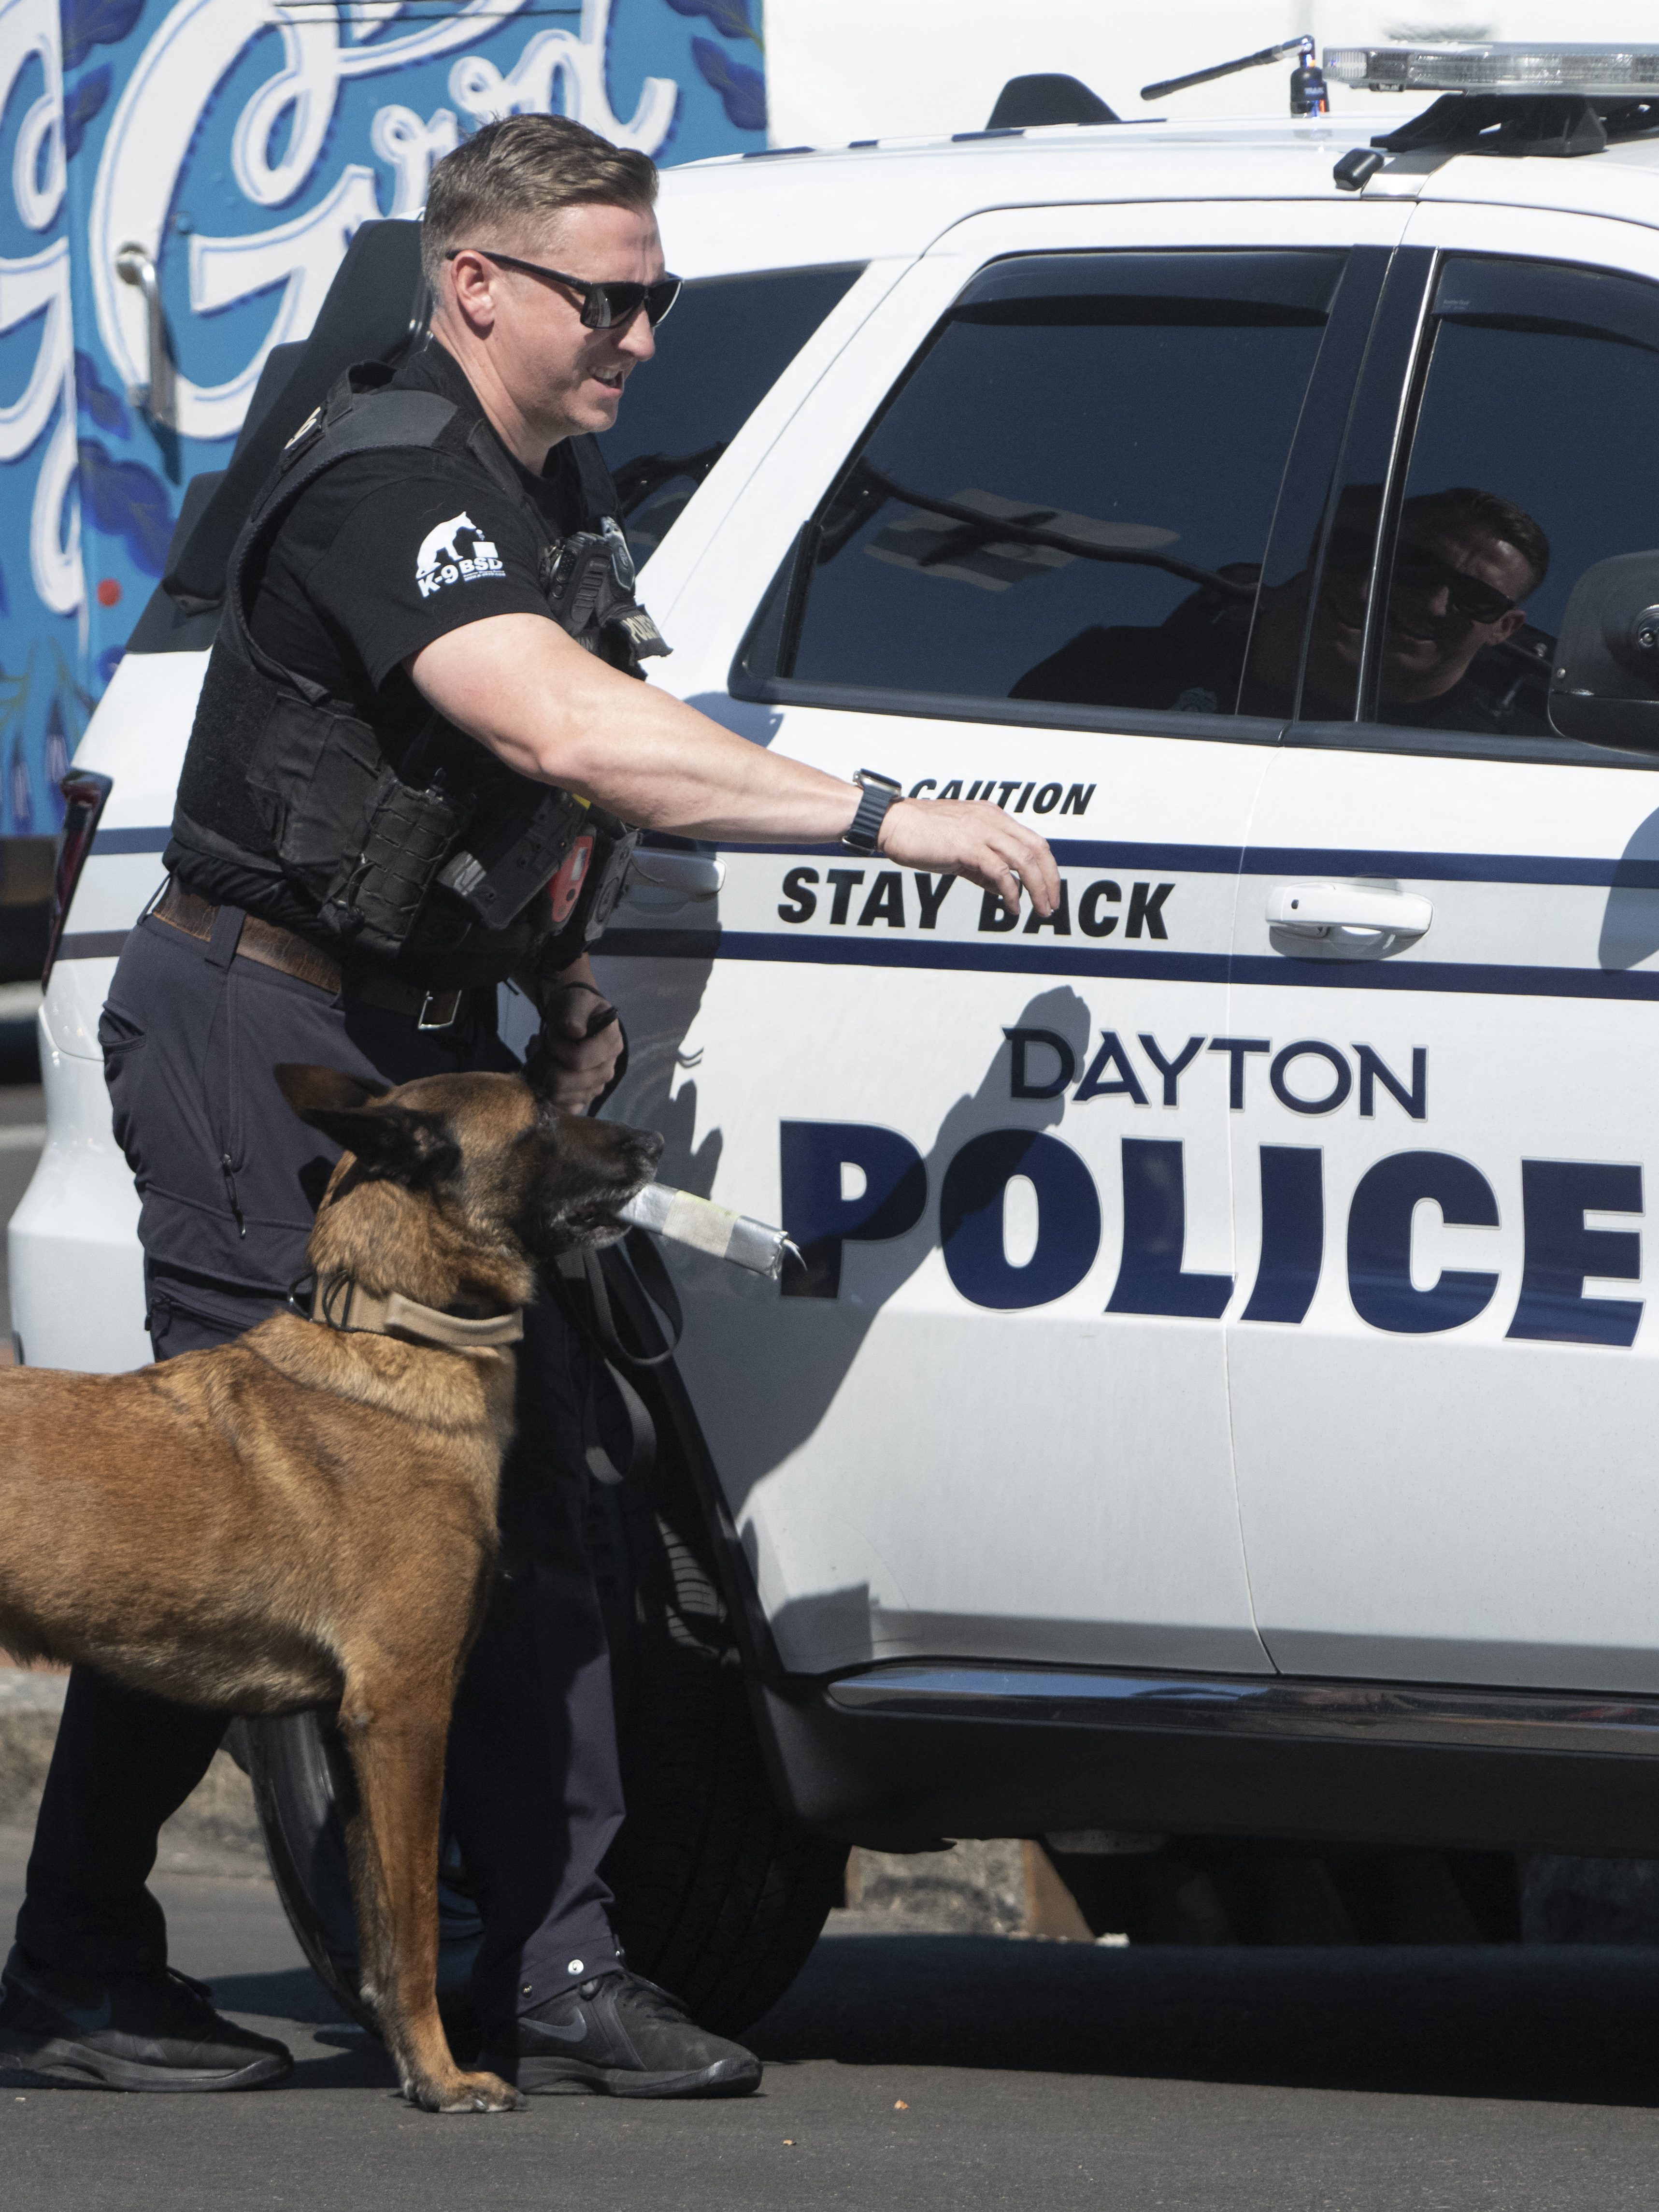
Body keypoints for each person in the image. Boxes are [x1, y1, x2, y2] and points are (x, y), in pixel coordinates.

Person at [0, 114, 1058, 2098]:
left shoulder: (550, 493)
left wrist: (560, 974)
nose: (644, 336)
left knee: (543, 1511)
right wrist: (881, 815)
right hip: (268, 1045)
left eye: (658, 300)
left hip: (434, 1058)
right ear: (474, 282)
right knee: (216, 1533)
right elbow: (563, 725)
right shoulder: (392, 481)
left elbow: (523, 803)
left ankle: (553, 1965)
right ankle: (80, 1964)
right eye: (610, 298)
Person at [1013, 483, 1552, 736]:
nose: (1433, 603)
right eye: (1417, 568)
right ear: (1365, 557)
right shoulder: (1118, 675)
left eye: (1475, 599)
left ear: (1503, 629)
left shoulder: (1513, 761)